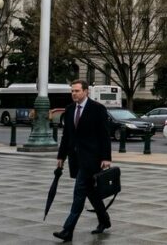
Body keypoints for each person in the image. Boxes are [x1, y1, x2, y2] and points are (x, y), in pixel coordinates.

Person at [53, 80, 113, 242]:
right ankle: (105, 221)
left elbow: (104, 135)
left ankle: (68, 230)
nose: (74, 93)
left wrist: (106, 157)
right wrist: (61, 157)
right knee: (92, 193)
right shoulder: (70, 109)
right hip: (76, 159)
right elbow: (67, 136)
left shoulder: (97, 109)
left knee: (79, 193)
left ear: (86, 92)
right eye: (72, 91)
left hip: (92, 159)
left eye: (77, 91)